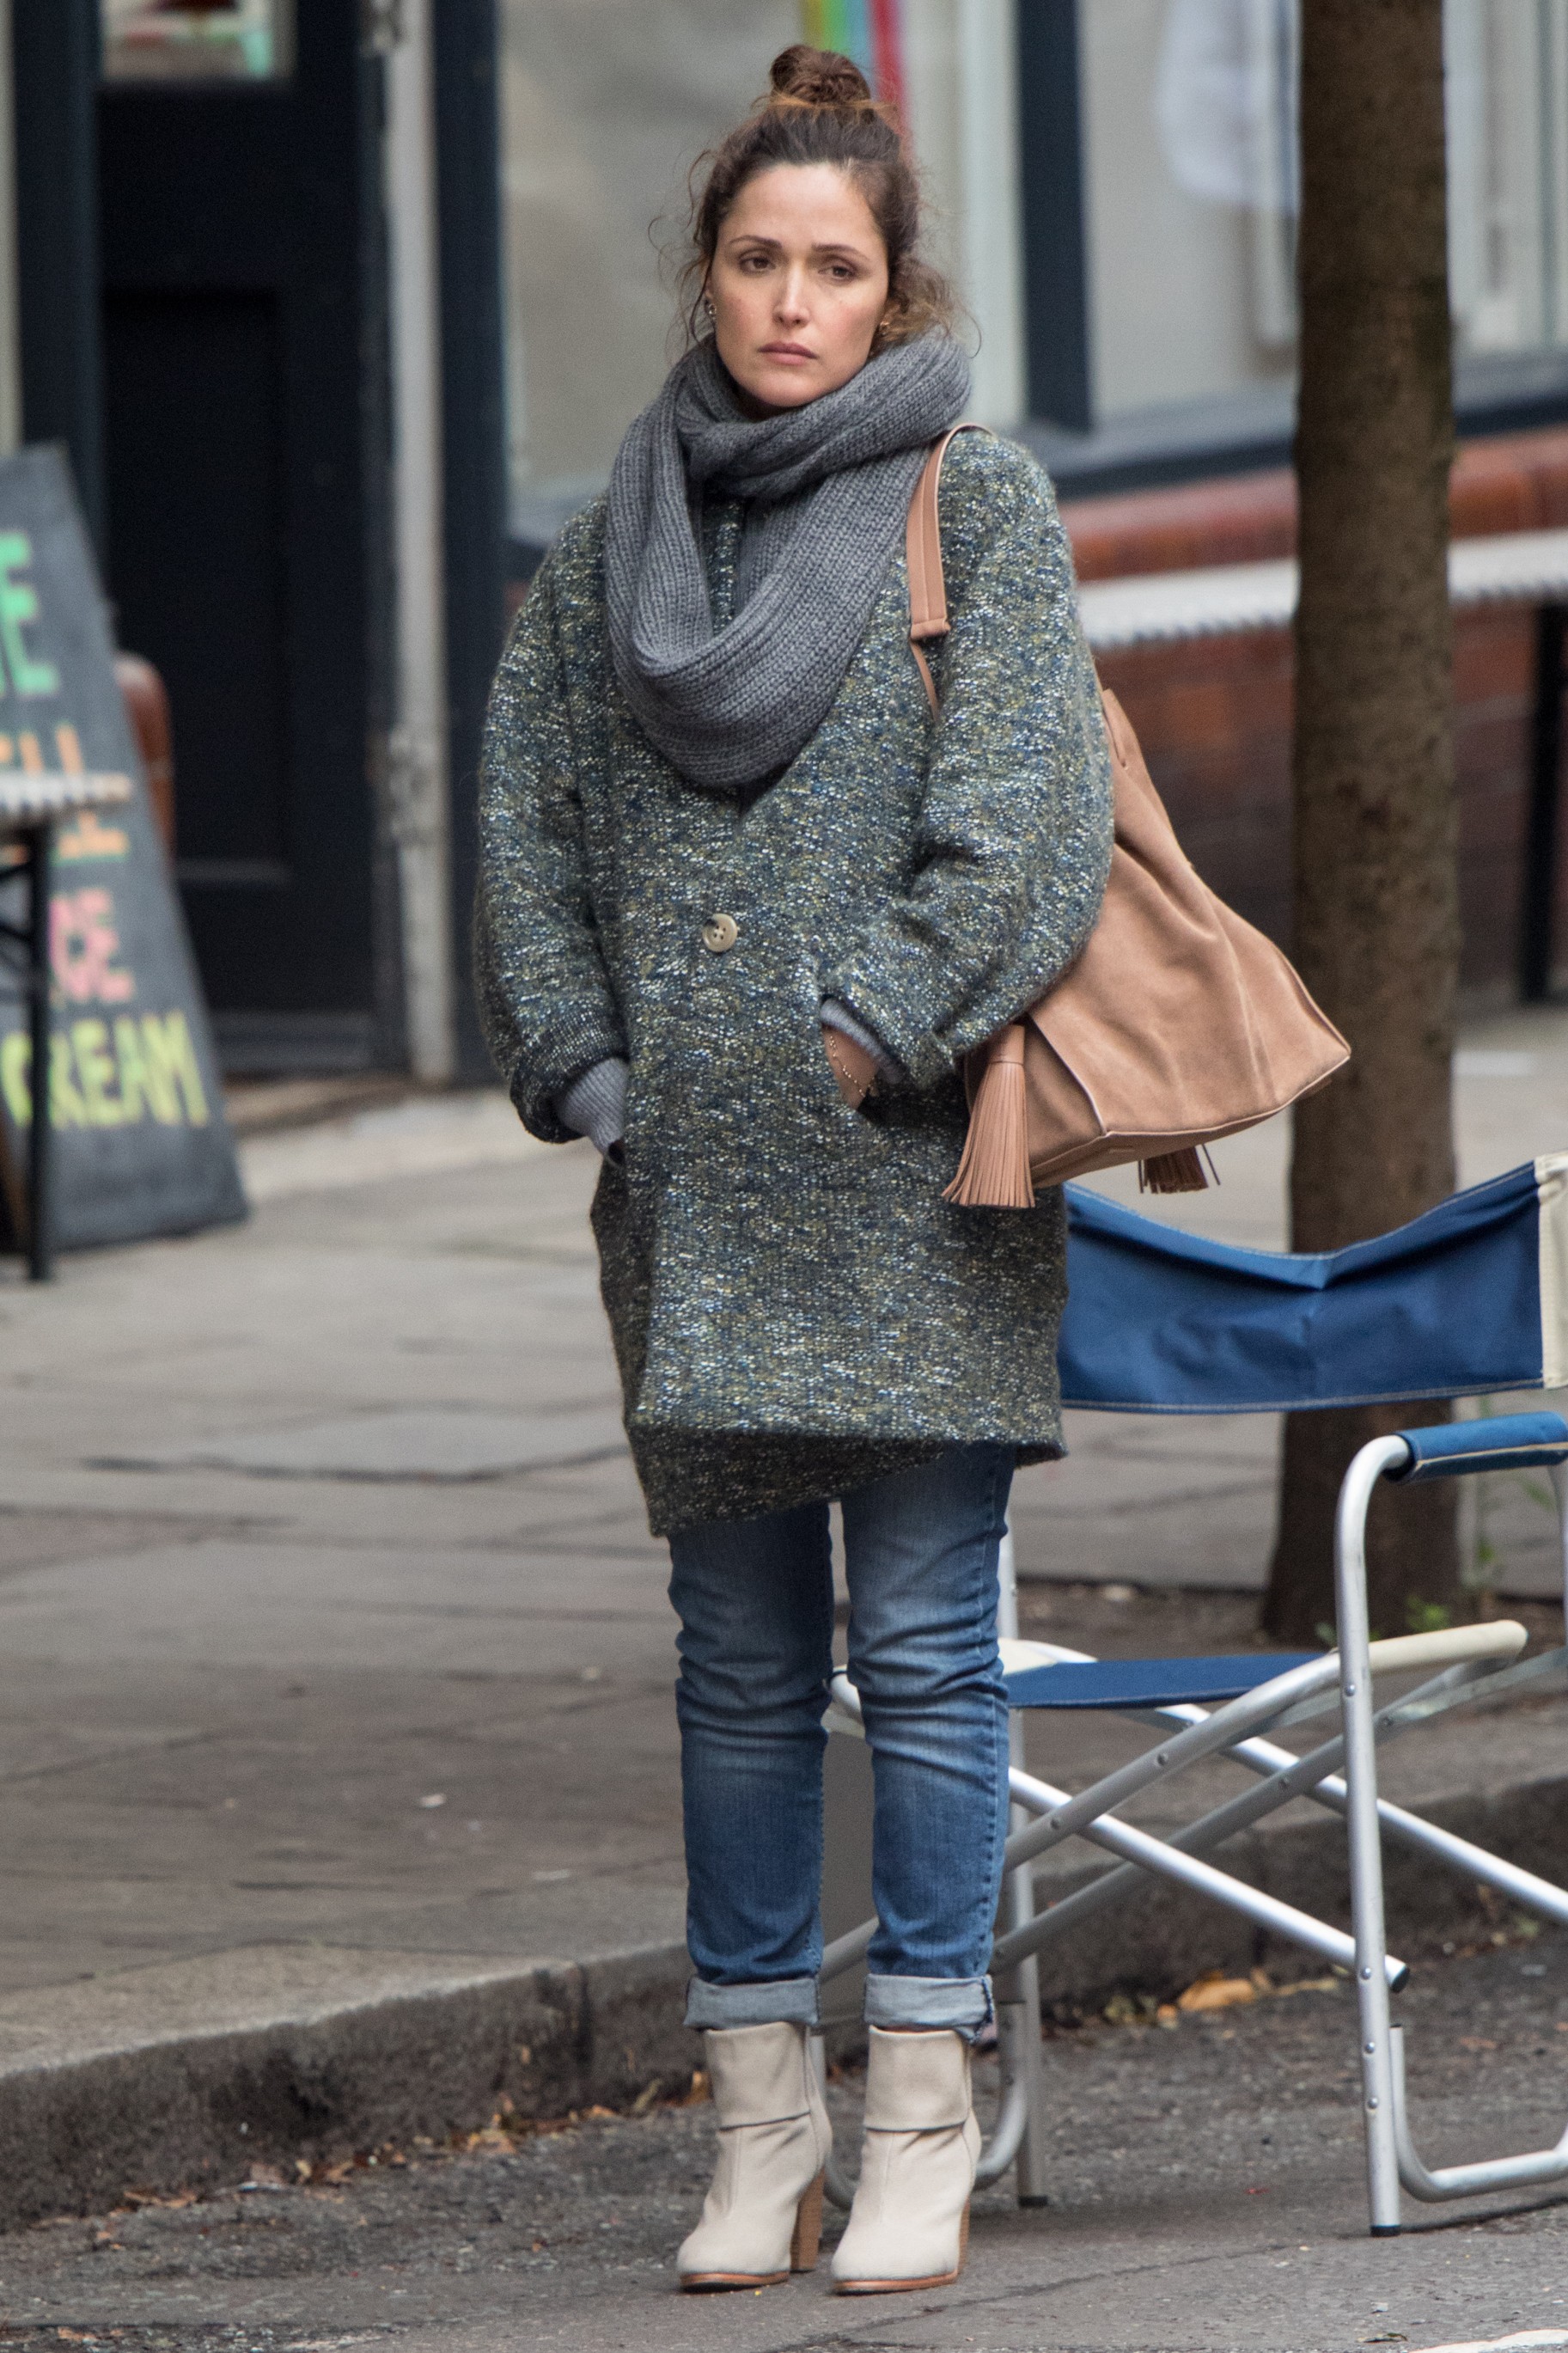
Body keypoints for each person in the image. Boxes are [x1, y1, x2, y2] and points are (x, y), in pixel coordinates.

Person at [476, 43, 1112, 2299]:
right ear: (708, 275)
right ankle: (759, 2128)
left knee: (925, 1654)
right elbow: (527, 816)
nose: (788, 301)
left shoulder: (977, 506)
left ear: (890, 288)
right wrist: (586, 1071)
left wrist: (864, 1033)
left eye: (831, 267)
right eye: (755, 260)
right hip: (694, 1202)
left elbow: (1027, 828)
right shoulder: (608, 548)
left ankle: (920, 2112)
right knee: (737, 1671)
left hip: (913, 1186)